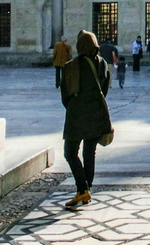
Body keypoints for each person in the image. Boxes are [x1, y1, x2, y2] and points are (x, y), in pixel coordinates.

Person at [61, 30, 112, 209]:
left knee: (70, 152)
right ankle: (86, 189)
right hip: (97, 115)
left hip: (76, 116)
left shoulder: (71, 66)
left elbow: (65, 97)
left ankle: (82, 189)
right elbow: (104, 90)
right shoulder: (103, 64)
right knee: (89, 152)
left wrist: (76, 106)